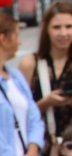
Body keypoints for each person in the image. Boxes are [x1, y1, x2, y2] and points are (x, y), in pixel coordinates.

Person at [19, 2, 72, 155]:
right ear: (46, 29)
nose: (63, 33)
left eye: (69, 27)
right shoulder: (30, 64)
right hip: (41, 147)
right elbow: (19, 116)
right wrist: (46, 103)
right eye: (56, 27)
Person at [0, 12, 44, 156]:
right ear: (3, 39)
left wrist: (32, 149)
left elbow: (35, 118)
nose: (20, 42)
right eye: (16, 35)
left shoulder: (16, 77)